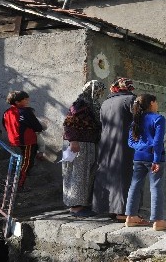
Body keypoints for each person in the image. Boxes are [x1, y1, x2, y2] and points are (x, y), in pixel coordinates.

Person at [124, 94, 166, 231]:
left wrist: (141, 148)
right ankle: (158, 221)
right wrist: (156, 159)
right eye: (156, 102)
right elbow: (157, 142)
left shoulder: (136, 121)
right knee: (156, 187)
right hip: (154, 158)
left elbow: (130, 142)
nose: (157, 105)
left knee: (134, 186)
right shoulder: (158, 118)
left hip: (138, 157)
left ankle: (131, 217)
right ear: (152, 103)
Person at [92, 77, 136, 222]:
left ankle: (106, 207)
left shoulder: (105, 102)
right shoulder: (131, 100)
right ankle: (122, 212)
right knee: (123, 175)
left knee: (107, 174)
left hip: (106, 143)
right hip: (124, 143)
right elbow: (138, 122)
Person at [62, 80, 106, 218]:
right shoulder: (81, 105)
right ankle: (76, 207)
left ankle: (81, 205)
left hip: (89, 144)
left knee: (86, 175)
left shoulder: (92, 105)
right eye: (99, 91)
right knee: (78, 175)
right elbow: (69, 123)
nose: (100, 94)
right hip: (79, 144)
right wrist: (73, 140)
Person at [2, 90, 44, 190]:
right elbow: (37, 127)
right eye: (25, 99)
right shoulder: (25, 112)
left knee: (23, 159)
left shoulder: (6, 113)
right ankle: (19, 183)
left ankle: (16, 181)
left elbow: (5, 125)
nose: (27, 101)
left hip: (14, 140)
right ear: (17, 102)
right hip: (27, 141)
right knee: (27, 162)